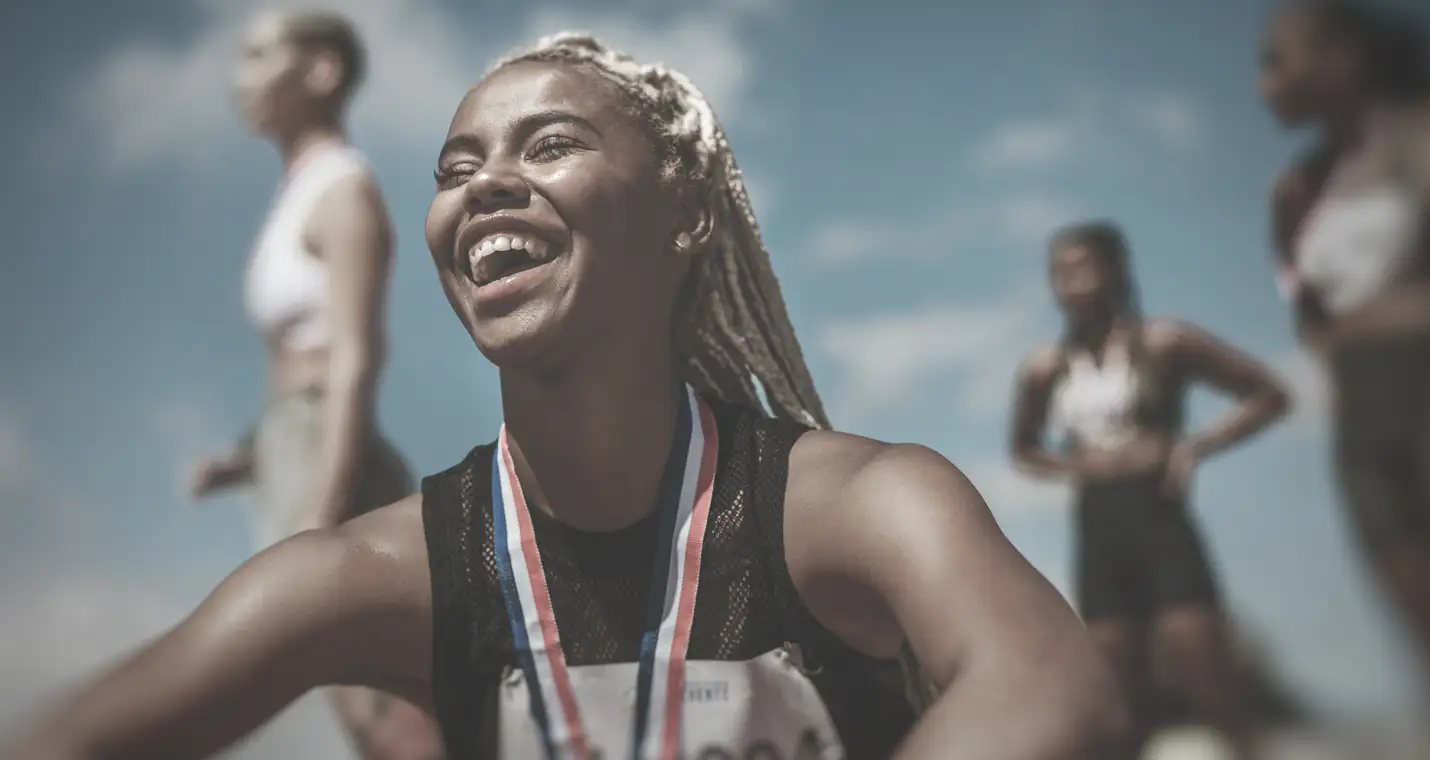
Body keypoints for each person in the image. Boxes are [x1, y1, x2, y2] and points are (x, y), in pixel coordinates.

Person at [3, 33, 1128, 760]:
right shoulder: (386, 569)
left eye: (551, 144)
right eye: (454, 168)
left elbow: (1052, 688)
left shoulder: (854, 502)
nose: (486, 182)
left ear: (686, 212)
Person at [185, 10, 444, 759]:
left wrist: (320, 512)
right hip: (290, 445)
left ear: (322, 70)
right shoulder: (299, 191)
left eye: (261, 53)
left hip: (325, 450)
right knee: (365, 701)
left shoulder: (342, 190)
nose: (240, 76)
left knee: (384, 710)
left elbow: (354, 356)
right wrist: (248, 457)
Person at [1009, 222, 1290, 758]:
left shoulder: (1165, 341)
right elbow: (1023, 448)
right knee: (1119, 698)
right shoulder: (1046, 368)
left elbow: (1267, 394)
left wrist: (1193, 447)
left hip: (1159, 514)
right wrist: (1077, 466)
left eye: (1082, 266)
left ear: (1114, 270)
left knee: (1208, 679)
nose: (1069, 282)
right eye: (1057, 272)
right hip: (1097, 522)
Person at [1261, 0, 1430, 687]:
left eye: (1278, 61)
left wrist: (1398, 319)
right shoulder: (1294, 190)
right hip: (1364, 421)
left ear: (1345, 57)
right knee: (1423, 621)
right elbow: (1304, 304)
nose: (1263, 85)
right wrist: (1339, 344)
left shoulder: (1423, 138)